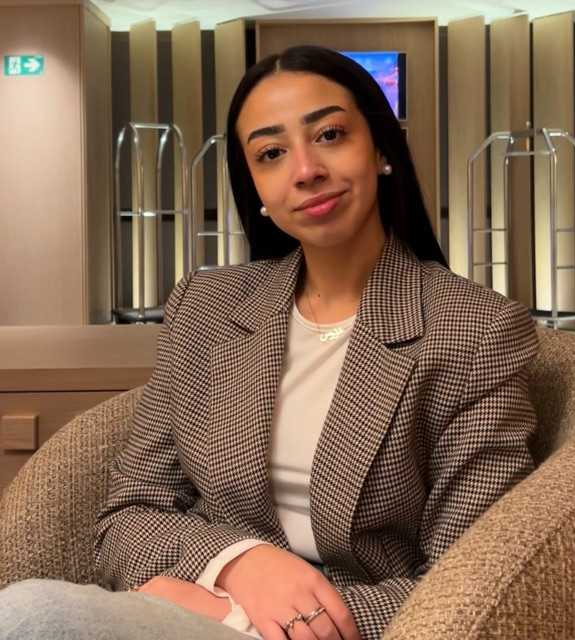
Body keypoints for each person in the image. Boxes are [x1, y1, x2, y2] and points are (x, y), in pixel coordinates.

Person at [0, 45, 539, 640]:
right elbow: (128, 516)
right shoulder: (205, 307)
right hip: (199, 603)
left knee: (32, 617)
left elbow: (471, 579)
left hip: (356, 627)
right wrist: (238, 564)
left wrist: (251, 620)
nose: (305, 170)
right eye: (271, 153)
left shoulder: (475, 330)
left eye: (330, 135)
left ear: (381, 149)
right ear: (254, 184)